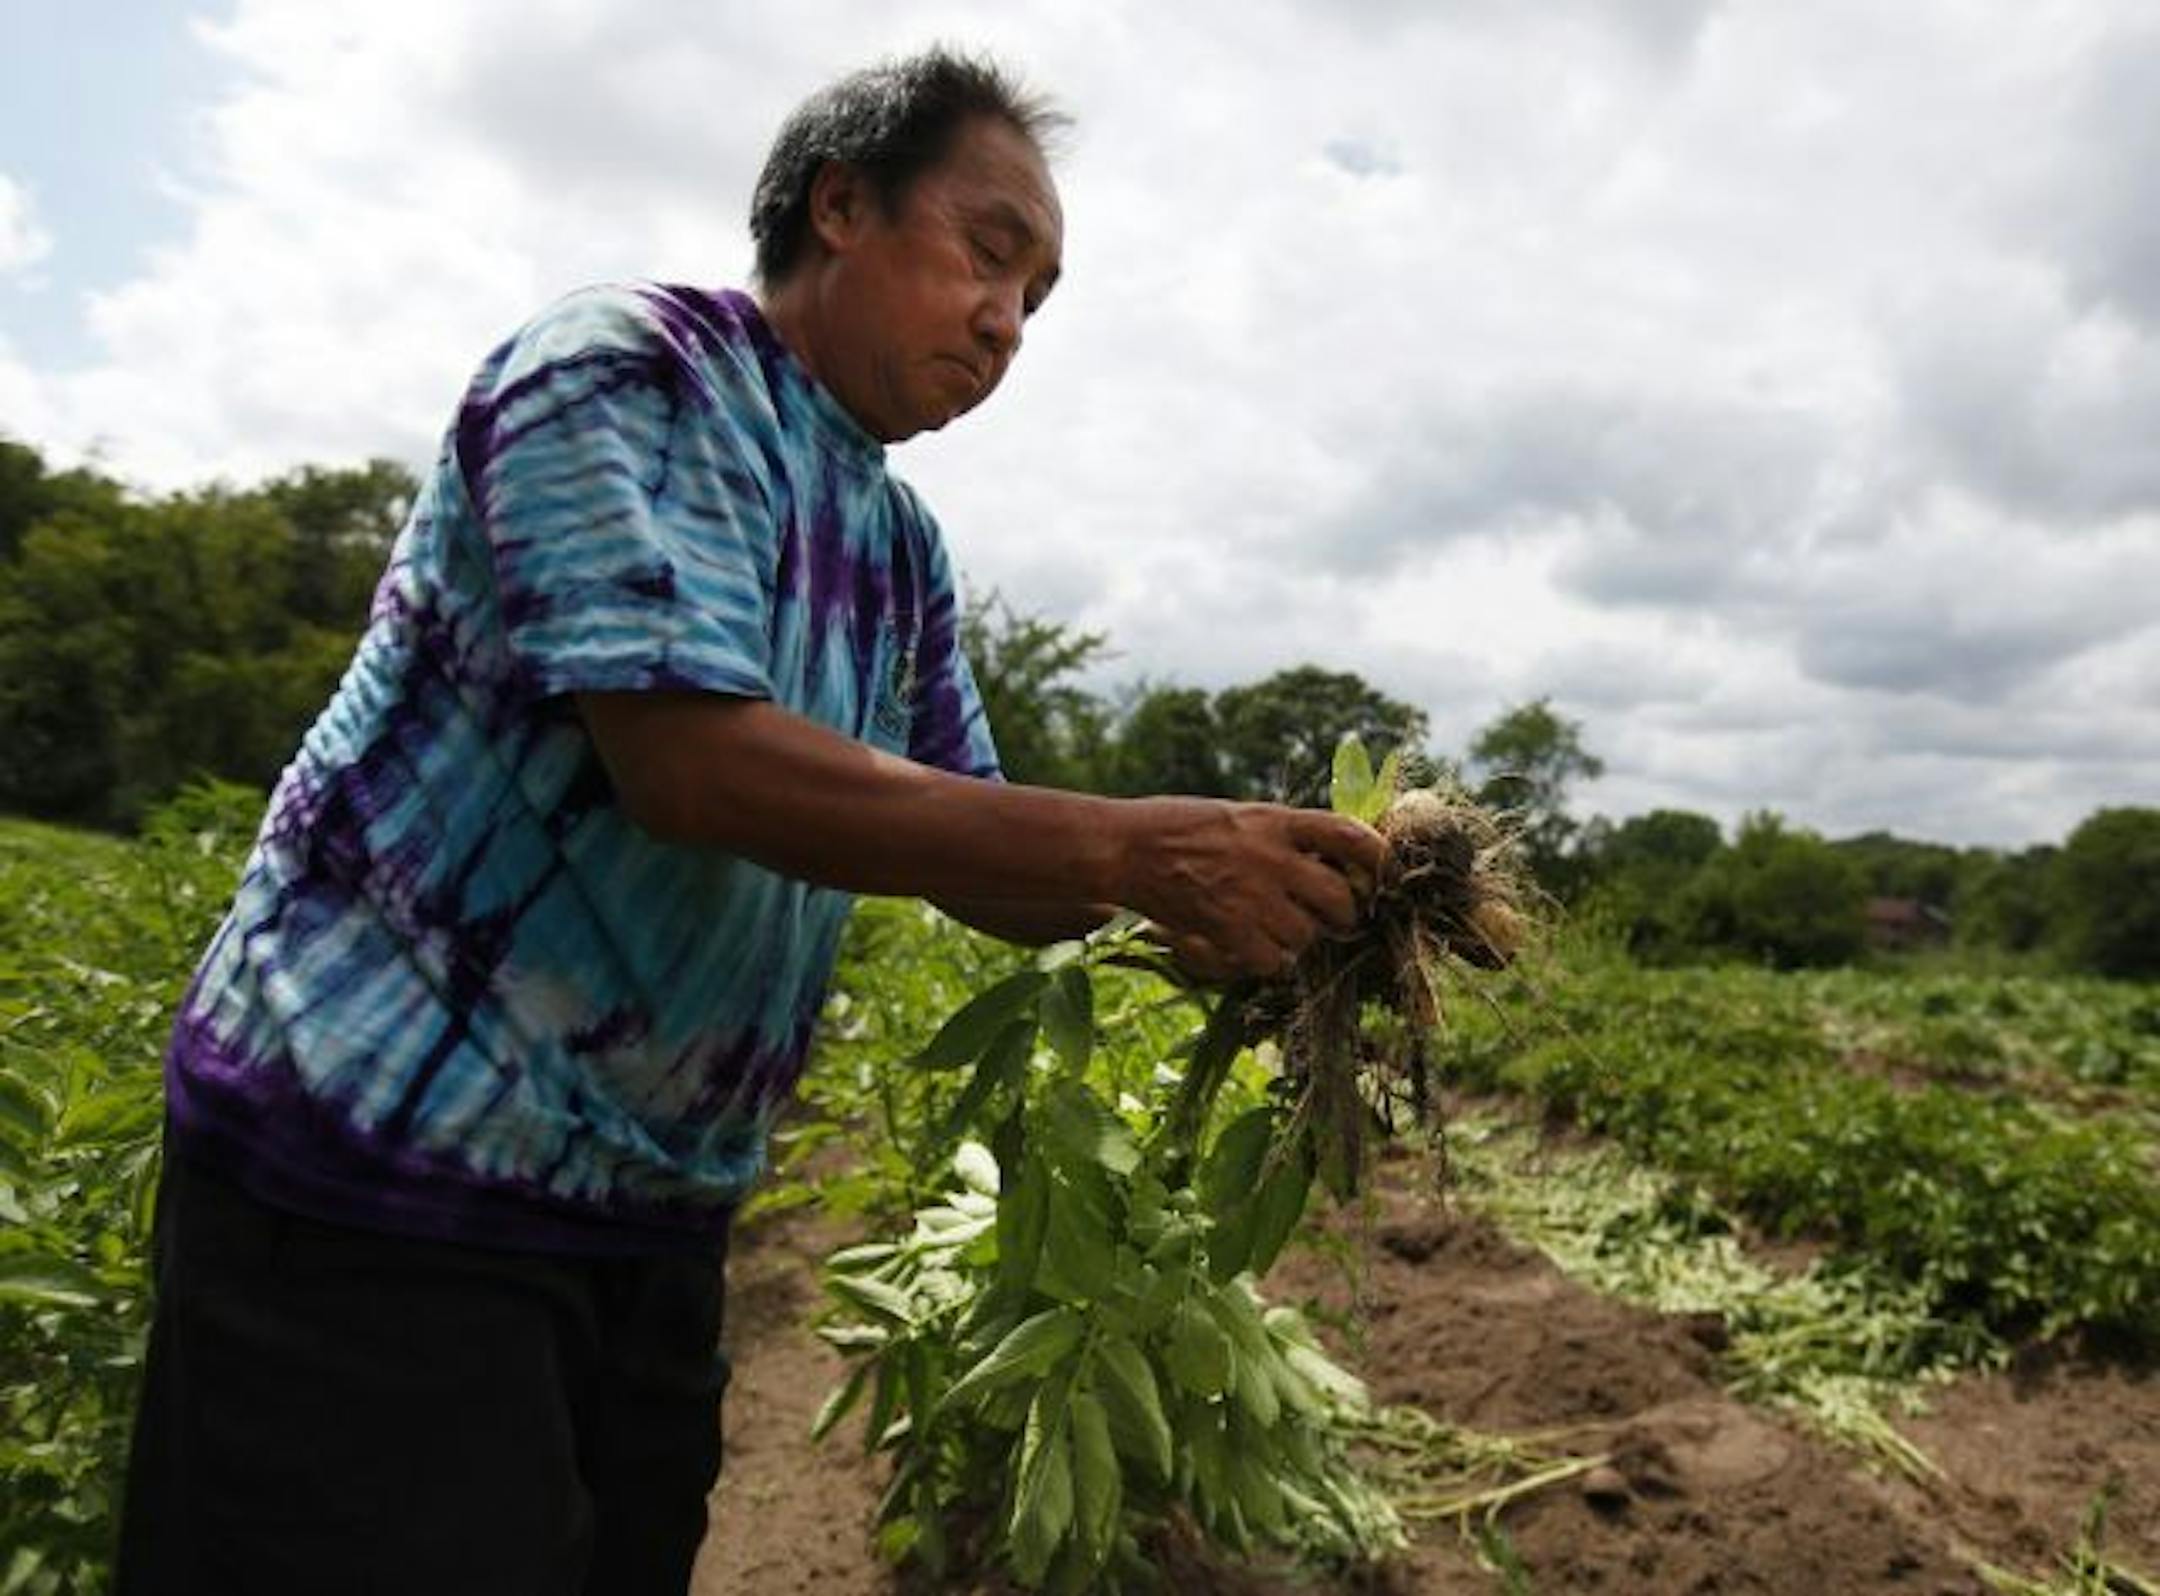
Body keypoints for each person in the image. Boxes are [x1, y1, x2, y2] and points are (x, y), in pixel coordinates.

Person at [115, 46, 1385, 1596]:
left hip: (647, 1209)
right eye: (990, 256)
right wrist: (1131, 849)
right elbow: (692, 764)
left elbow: (976, 843)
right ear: (840, 205)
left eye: (1038, 303)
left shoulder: (895, 542)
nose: (1005, 322)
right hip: (380, 1183)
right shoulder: (627, 369)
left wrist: (1256, 925)